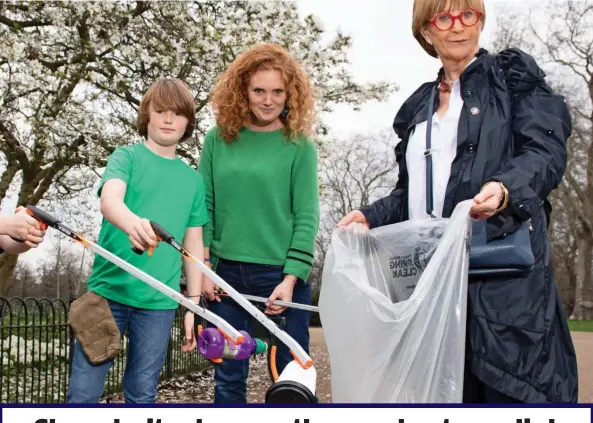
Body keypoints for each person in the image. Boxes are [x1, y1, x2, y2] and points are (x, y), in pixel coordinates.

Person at [338, 0, 578, 403]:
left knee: (507, 398)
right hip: (432, 286)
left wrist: (504, 188)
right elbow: (409, 194)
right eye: (444, 17)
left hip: (502, 289)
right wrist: (369, 214)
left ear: (480, 21)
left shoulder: (512, 79)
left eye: (468, 14)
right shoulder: (419, 107)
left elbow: (544, 152)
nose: (458, 26)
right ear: (426, 32)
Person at [66, 78, 209, 403]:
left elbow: (194, 246)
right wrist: (134, 224)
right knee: (83, 395)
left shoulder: (193, 181)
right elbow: (110, 201)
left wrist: (193, 304)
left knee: (142, 395)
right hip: (107, 295)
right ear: (147, 115)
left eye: (178, 113)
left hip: (159, 305)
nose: (169, 119)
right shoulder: (125, 157)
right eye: (161, 111)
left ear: (188, 121)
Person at [196, 43, 319, 404]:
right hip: (224, 278)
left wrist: (291, 278)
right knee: (228, 380)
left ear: (290, 93)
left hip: (280, 278)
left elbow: (307, 215)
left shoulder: (299, 146)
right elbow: (204, 206)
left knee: (290, 378)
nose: (268, 100)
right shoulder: (218, 139)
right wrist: (204, 267)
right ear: (242, 92)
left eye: (278, 91)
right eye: (259, 91)